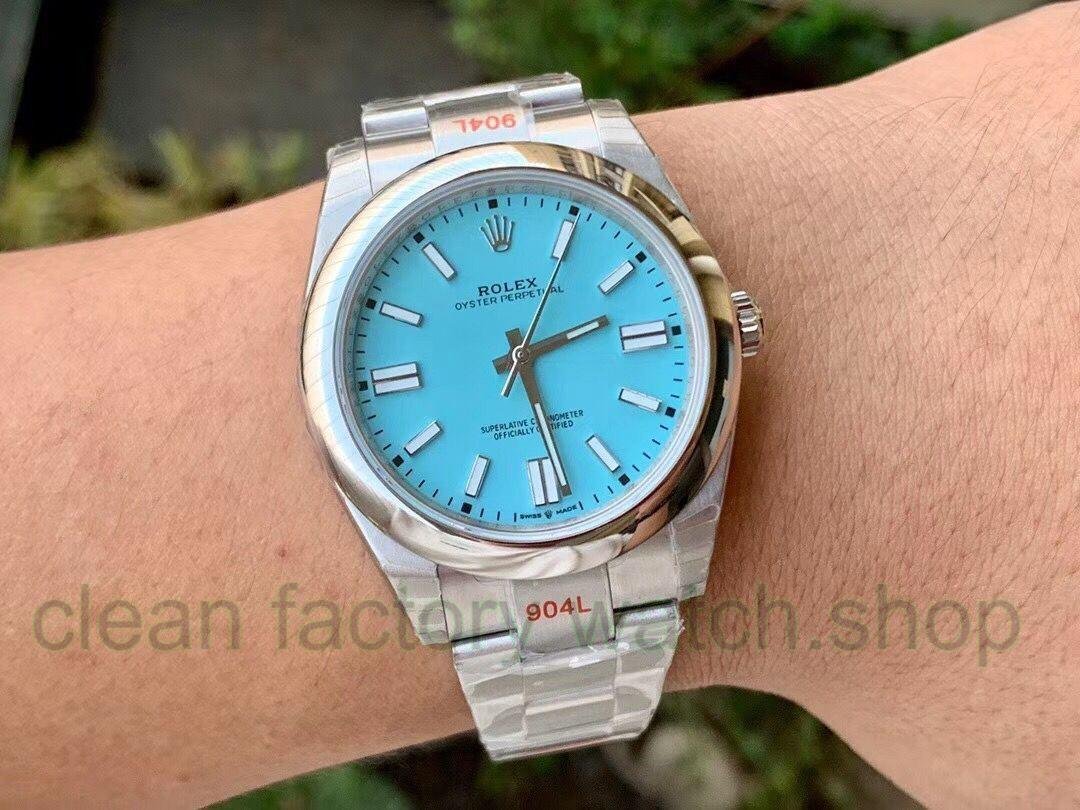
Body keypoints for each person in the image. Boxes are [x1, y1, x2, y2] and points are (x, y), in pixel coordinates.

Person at [1, 4, 1077, 806]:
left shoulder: (674, 316)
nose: (520, 356)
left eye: (530, 345)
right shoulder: (393, 359)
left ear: (730, 323)